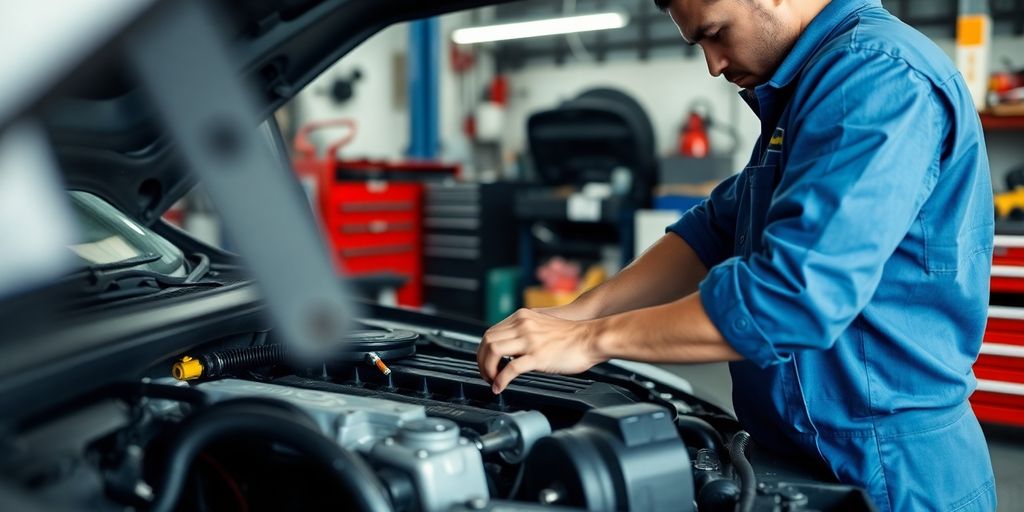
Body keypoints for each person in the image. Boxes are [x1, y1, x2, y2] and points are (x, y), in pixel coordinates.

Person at [475, 0, 998, 510]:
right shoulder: (812, 83)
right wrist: (570, 315)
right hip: (805, 455)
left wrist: (591, 340)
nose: (713, 64)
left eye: (715, 33)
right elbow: (715, 229)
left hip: (889, 470)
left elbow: (792, 295)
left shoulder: (874, 75)